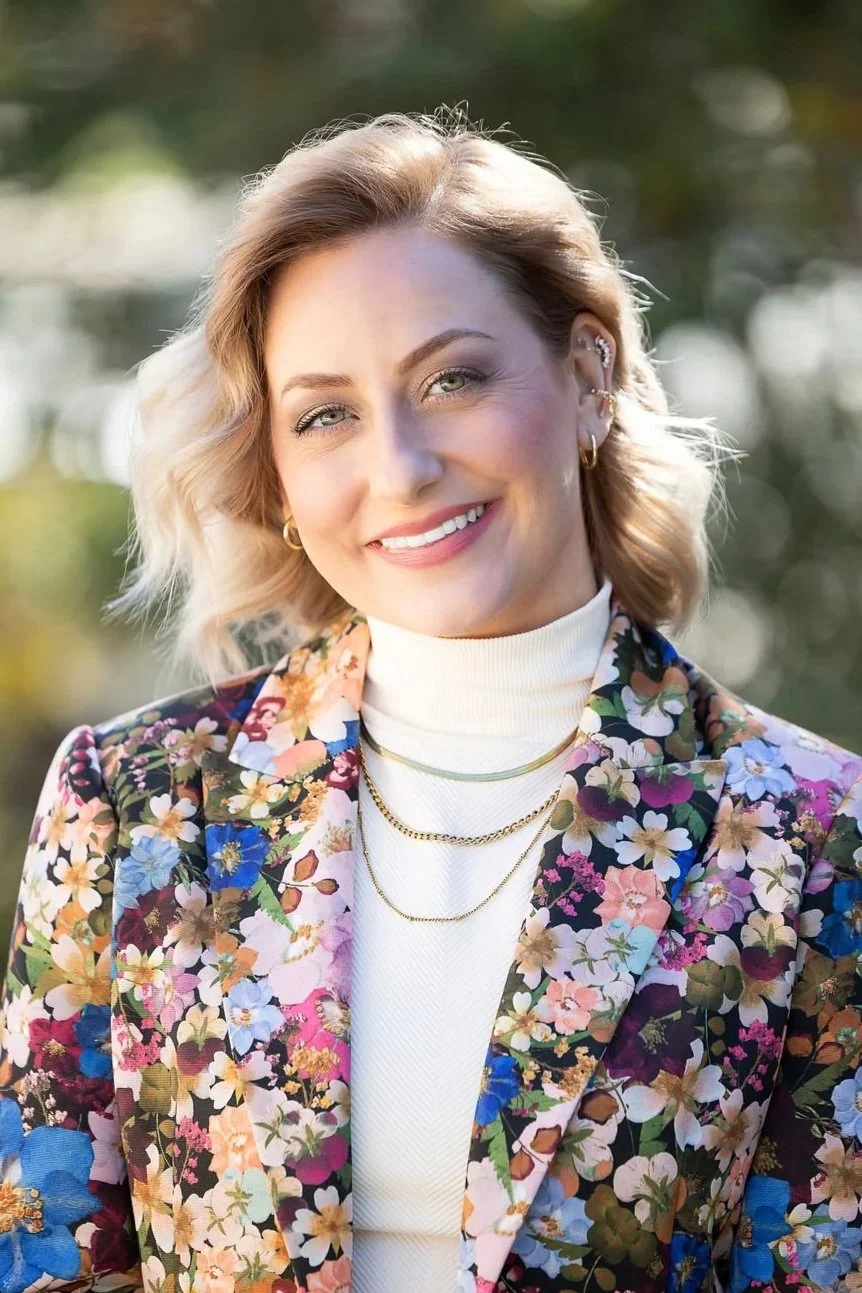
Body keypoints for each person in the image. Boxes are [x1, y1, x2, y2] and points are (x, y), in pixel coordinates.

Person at [1, 107, 860, 1293]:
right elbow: (45, 1262)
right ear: (283, 480)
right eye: (327, 415)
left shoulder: (809, 832)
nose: (399, 466)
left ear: (588, 378)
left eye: (452, 379)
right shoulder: (138, 807)